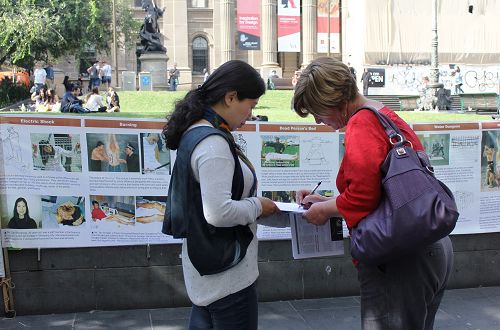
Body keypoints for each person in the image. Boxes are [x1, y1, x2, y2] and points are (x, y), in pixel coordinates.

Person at [292, 57, 454, 330]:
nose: (319, 121)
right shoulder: (382, 114)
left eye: (318, 111)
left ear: (334, 101)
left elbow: (362, 198)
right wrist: (328, 202)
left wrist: (325, 210)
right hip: (425, 245)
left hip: (400, 260)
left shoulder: (361, 124)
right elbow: (377, 190)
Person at [162, 60, 280, 329]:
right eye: (250, 105)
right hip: (227, 274)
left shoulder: (196, 132)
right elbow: (218, 212)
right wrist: (257, 206)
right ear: (230, 97)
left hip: (208, 266)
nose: (250, 114)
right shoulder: (213, 143)